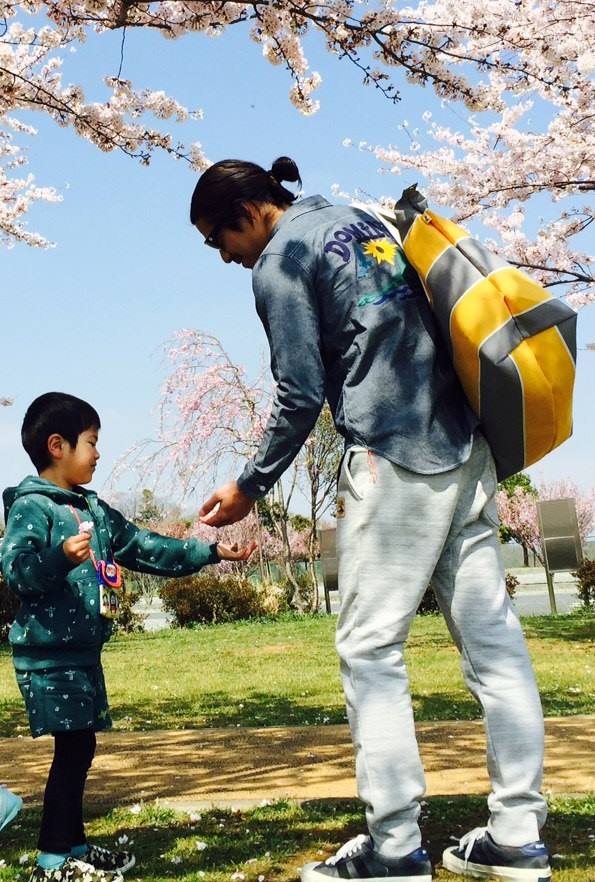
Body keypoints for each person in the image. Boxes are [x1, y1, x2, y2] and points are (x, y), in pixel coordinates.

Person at [189, 157, 551, 882]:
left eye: (217, 240)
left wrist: (250, 486)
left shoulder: (281, 260)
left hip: (392, 457)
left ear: (249, 213)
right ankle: (517, 835)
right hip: (464, 449)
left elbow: (299, 393)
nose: (225, 258)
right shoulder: (364, 221)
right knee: (495, 651)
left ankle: (393, 848)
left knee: (369, 650)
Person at [1, 392, 255, 882]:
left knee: (81, 747)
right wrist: (59, 559)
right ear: (58, 445)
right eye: (92, 443)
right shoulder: (32, 508)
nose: (98, 454)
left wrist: (211, 552)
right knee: (73, 748)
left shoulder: (92, 510)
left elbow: (144, 546)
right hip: (48, 656)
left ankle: (72, 845)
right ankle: (53, 859)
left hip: (80, 653)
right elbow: (17, 571)